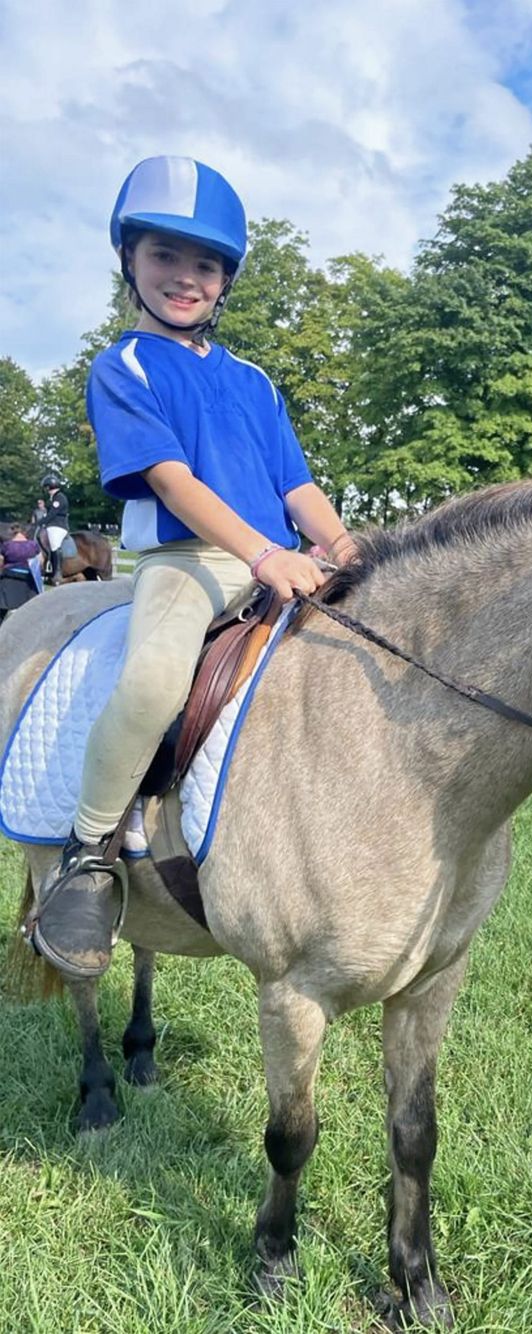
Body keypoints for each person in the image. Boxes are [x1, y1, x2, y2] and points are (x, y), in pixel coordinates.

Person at [26, 155, 360, 980]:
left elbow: (298, 484)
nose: (185, 277)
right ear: (129, 263)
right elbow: (172, 479)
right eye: (164, 256)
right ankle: (87, 853)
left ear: (226, 281)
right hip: (189, 561)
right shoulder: (124, 367)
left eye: (203, 263)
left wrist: (350, 551)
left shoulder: (252, 381)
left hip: (282, 558)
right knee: (150, 680)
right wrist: (262, 551)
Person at [0, 523, 43, 622]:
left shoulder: (6, 546)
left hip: (9, 582)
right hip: (28, 582)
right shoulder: (34, 545)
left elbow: (0, 561)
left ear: (12, 533)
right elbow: (40, 562)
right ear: (25, 532)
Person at [41, 476, 70, 583]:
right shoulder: (53, 497)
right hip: (52, 525)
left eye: (46, 487)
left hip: (58, 526)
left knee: (54, 545)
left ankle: (57, 572)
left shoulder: (59, 497)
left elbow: (53, 513)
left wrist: (40, 522)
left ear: (50, 487)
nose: (46, 490)